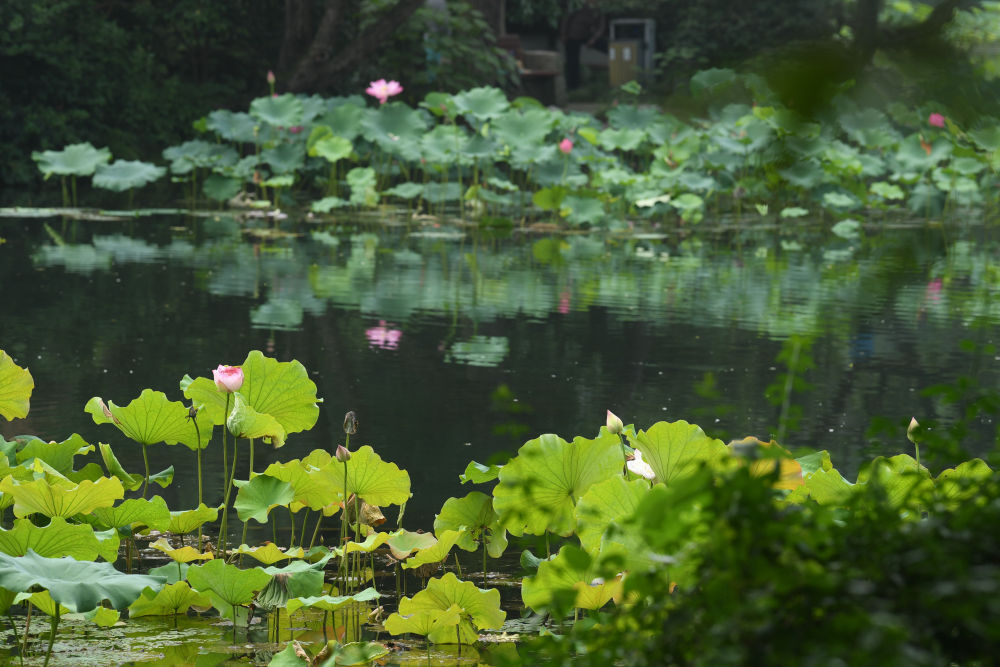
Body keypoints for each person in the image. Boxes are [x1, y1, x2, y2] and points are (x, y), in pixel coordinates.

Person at [560, 0, 606, 90]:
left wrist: (594, 39)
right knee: (572, 61)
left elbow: (601, 26)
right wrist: (563, 34)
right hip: (573, 34)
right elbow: (566, 19)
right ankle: (573, 86)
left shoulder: (599, 9)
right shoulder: (577, 4)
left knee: (606, 46)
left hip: (588, 33)